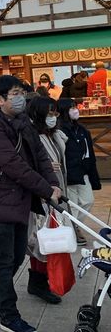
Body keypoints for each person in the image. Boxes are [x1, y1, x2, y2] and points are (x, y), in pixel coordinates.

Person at [0, 75, 60, 332]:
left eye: (22, 92)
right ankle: (9, 316)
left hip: (18, 200)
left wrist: (53, 184)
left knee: (18, 255)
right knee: (3, 259)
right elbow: (14, 166)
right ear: (0, 99)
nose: (21, 97)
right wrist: (44, 190)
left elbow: (39, 155)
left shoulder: (22, 122)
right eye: (15, 93)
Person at [26, 96, 68, 304]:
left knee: (48, 239)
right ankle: (38, 282)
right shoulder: (32, 135)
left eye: (55, 113)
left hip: (56, 192)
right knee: (40, 240)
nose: (53, 117)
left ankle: (39, 280)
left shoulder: (54, 134)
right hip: (42, 195)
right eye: (49, 114)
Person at [57, 98, 101, 243]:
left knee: (88, 201)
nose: (75, 110)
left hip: (83, 172)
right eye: (71, 108)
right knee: (72, 205)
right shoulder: (58, 131)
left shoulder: (82, 130)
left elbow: (90, 154)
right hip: (68, 174)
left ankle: (74, 226)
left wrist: (92, 173)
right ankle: (73, 231)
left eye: (75, 107)